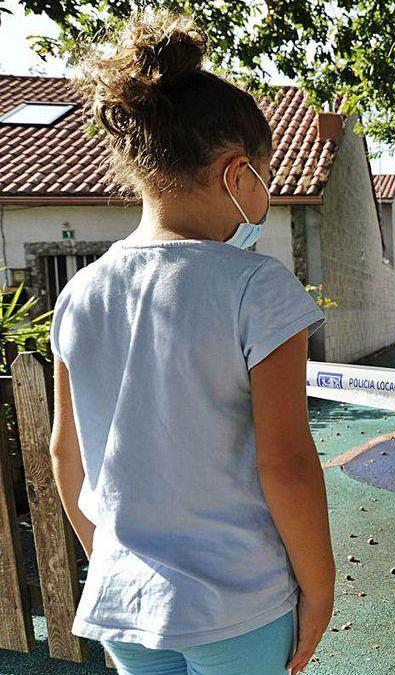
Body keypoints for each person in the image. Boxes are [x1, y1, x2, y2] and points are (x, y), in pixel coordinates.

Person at [48, 11, 334, 675]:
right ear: (236, 175)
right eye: (266, 175)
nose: (268, 193)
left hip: (123, 606)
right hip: (238, 605)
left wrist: (111, 560)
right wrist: (319, 591)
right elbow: (286, 463)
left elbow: (67, 456)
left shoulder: (79, 296)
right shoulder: (258, 288)